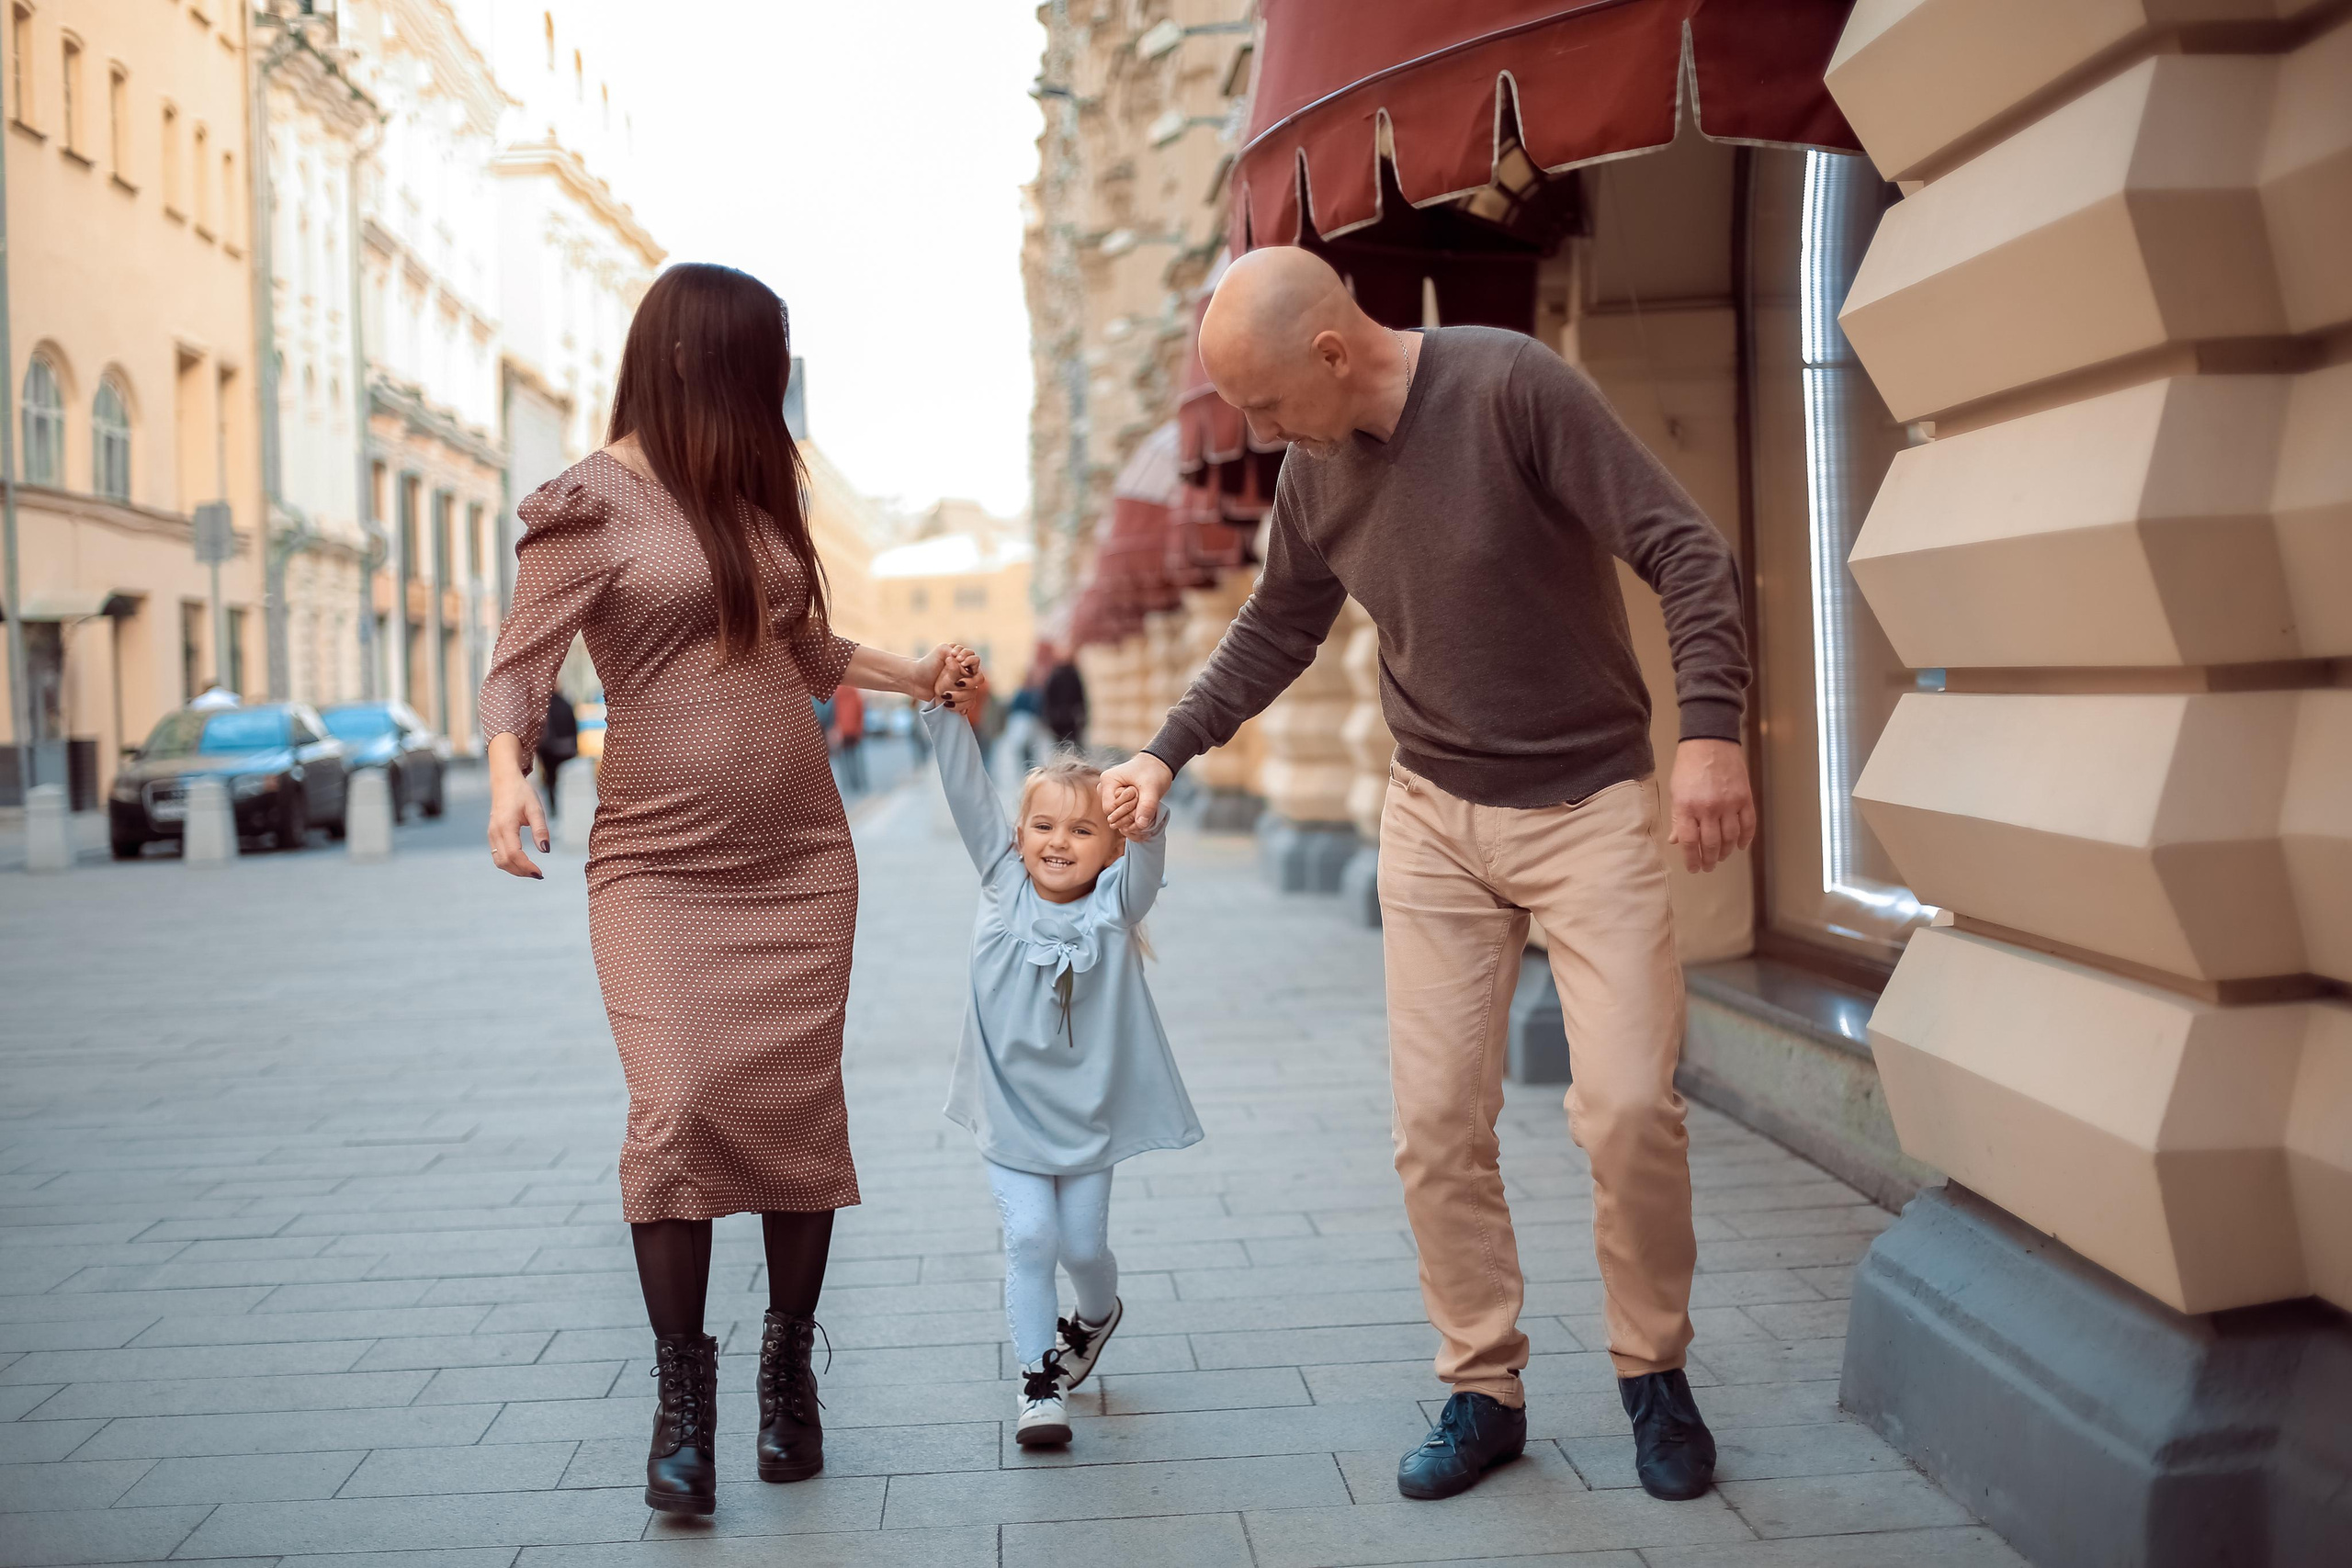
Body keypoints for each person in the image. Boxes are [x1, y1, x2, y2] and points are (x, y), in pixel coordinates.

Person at [1100, 247, 1755, 1505]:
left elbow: (1685, 548)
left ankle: (1653, 1370)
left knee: (1625, 1107)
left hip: (1589, 805)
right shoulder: (1314, 470)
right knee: (1438, 1126)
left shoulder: (1512, 387)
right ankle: (1482, 1384)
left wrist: (1713, 735)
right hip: (1435, 819)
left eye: (1267, 400)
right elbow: (1277, 626)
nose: (1260, 431)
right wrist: (1168, 748)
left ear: (1333, 351)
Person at [478, 262, 985, 1519]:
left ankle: (787, 1366)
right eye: (764, 362)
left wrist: (921, 673)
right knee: (680, 1106)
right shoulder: (588, 502)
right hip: (655, 857)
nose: (778, 387)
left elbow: (808, 649)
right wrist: (508, 778)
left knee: (795, 1112)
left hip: (799, 856)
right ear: (704, 357)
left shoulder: (767, 490)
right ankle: (681, 1395)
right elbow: (518, 667)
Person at [922, 675, 1201, 1449]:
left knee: (1081, 1247)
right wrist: (945, 712)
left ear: (1108, 848)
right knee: (1031, 1238)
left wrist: (1142, 820)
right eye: (1043, 825)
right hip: (1009, 1108)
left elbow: (1146, 859)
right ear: (1018, 837)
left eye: (1081, 832)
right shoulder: (1001, 885)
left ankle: (1098, 1313)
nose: (1057, 842)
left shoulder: (1115, 903)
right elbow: (969, 792)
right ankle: (1038, 1384)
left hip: (1087, 1113)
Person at [537, 690, 578, 815]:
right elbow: (574, 727)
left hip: (550, 750)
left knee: (551, 782)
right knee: (567, 782)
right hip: (567, 749)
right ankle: (566, 810)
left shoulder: (544, 706)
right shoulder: (566, 703)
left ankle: (555, 811)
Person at [1041, 650, 1088, 751]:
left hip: (1070, 718)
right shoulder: (1055, 676)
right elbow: (1048, 699)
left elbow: (1080, 696)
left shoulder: (1073, 674)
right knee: (1062, 747)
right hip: (1060, 719)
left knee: (1075, 747)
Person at [831, 682, 866, 795]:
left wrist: (835, 728)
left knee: (844, 759)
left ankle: (847, 783)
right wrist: (860, 728)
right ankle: (859, 782)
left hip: (842, 731)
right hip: (854, 730)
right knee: (856, 758)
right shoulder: (854, 692)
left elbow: (833, 713)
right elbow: (860, 710)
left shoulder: (836, 694)